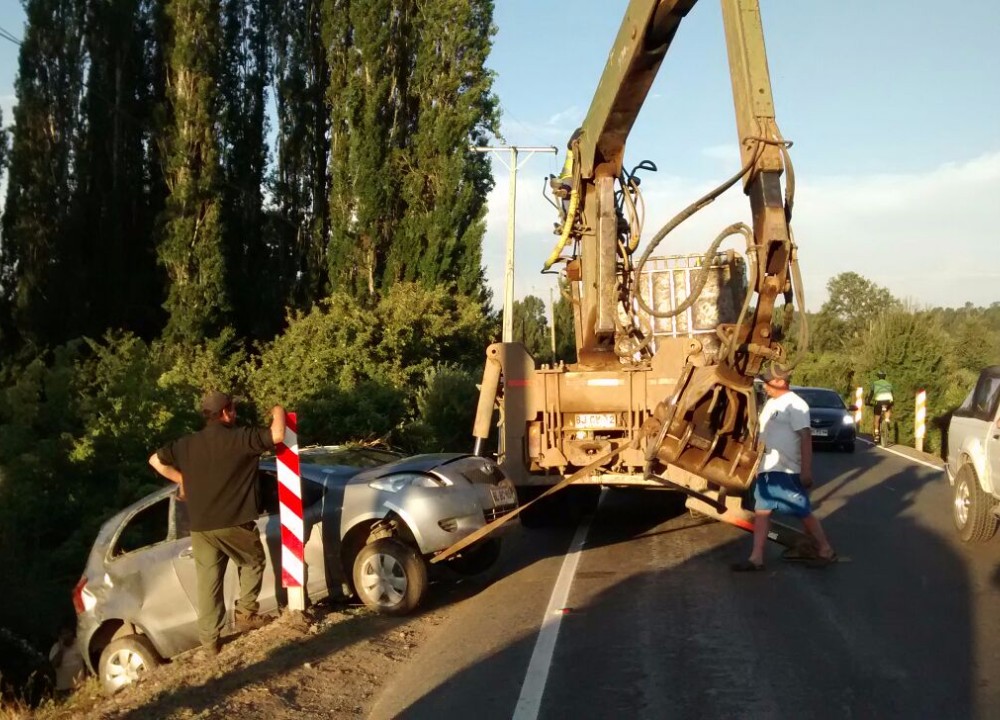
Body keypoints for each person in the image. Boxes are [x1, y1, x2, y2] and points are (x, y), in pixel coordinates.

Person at [149, 391, 286, 657]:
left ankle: (210, 642)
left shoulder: (186, 444)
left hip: (200, 526)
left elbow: (155, 460)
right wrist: (278, 408)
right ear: (226, 412)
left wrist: (182, 480)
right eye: (233, 408)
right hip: (234, 521)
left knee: (208, 583)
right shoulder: (241, 438)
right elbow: (278, 434)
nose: (235, 413)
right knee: (253, 560)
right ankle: (247, 613)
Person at [732, 366, 837, 571]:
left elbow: (806, 438)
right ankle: (756, 558)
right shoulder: (771, 403)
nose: (764, 385)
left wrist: (806, 470)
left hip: (786, 470)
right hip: (767, 469)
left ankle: (825, 550)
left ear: (780, 381)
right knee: (762, 511)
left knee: (801, 510)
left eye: (768, 381)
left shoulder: (796, 405)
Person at [48, 623, 84, 695]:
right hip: (64, 690)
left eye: (68, 632)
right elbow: (54, 665)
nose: (67, 636)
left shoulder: (79, 643)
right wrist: (61, 650)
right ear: (60, 636)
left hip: (81, 686)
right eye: (64, 634)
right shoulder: (55, 648)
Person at [867, 370, 894, 442]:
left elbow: (871, 394)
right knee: (888, 408)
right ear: (885, 377)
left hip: (879, 402)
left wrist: (868, 402)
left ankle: (876, 435)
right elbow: (892, 394)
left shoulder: (875, 383)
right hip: (887, 401)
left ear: (878, 377)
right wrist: (892, 402)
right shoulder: (889, 384)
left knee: (877, 418)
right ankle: (887, 419)